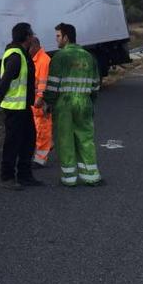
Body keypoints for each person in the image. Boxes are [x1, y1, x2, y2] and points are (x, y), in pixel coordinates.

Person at [44, 23, 103, 187]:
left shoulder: (60, 57)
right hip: (85, 102)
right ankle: (91, 175)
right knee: (86, 138)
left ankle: (69, 178)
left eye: (58, 36)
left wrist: (48, 103)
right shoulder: (88, 57)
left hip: (65, 104)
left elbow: (52, 86)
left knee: (65, 139)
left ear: (66, 37)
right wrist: (91, 102)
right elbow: (96, 85)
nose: (56, 39)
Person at [0, 22, 44, 190]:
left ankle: (25, 175)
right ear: (26, 37)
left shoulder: (22, 53)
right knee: (12, 143)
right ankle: (6, 177)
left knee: (28, 141)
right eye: (31, 35)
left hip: (23, 107)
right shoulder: (15, 56)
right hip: (14, 108)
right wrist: (0, 100)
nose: (32, 37)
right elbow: (5, 80)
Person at [28, 37, 53, 168]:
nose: (27, 50)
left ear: (35, 46)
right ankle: (47, 147)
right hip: (36, 103)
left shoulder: (43, 61)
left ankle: (40, 160)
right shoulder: (35, 60)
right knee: (40, 131)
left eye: (29, 47)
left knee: (42, 131)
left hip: (41, 103)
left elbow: (44, 83)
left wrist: (40, 98)